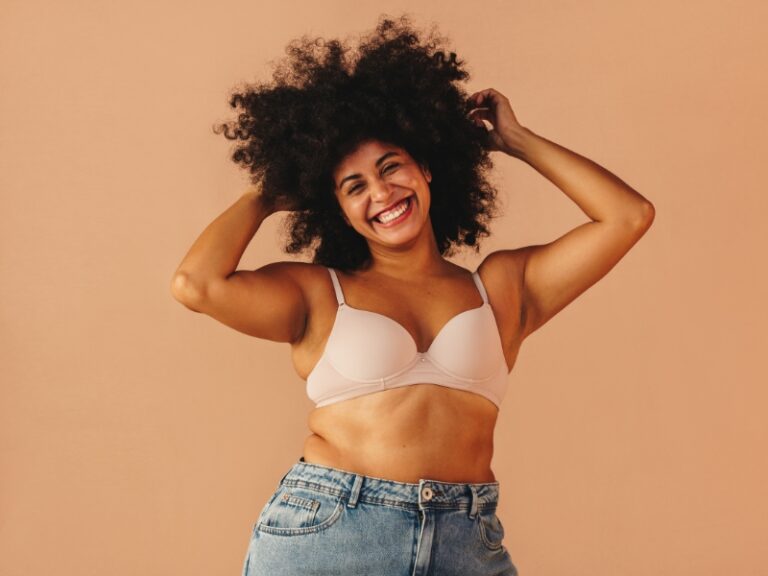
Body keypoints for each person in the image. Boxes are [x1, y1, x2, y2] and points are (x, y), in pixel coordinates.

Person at [170, 14, 654, 576]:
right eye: (355, 187)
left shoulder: (500, 288)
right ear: (337, 208)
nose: (381, 193)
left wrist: (517, 140)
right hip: (332, 532)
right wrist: (266, 192)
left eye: (390, 167)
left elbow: (627, 216)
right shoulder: (318, 292)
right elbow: (196, 284)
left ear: (425, 168)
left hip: (465, 538)